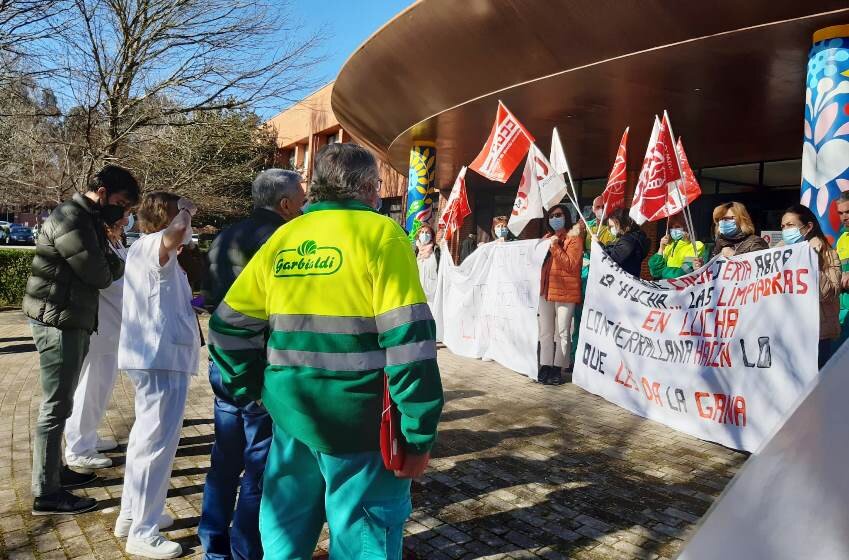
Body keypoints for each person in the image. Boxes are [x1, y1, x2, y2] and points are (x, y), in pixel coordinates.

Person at [208, 143, 444, 559]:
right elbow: (410, 343)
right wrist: (419, 433)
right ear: (370, 188)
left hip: (291, 421)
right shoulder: (382, 234)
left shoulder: (286, 235)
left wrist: (255, 388)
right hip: (362, 428)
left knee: (283, 542)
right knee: (363, 543)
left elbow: (227, 327)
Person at [199, 169, 305, 560]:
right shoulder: (284, 241)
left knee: (224, 459)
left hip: (223, 361)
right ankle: (246, 551)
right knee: (259, 465)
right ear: (285, 204)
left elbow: (210, 299)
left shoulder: (225, 235)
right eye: (302, 198)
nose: (305, 205)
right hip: (260, 367)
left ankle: (213, 544)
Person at [23, 165, 139, 515]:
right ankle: (46, 493)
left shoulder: (85, 218)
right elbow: (101, 274)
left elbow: (101, 264)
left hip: (68, 316)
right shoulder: (72, 219)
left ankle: (55, 474)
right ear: (102, 192)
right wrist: (116, 257)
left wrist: (110, 253)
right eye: (121, 203)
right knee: (55, 406)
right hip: (58, 320)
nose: (124, 213)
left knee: (61, 404)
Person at [116, 192, 201, 559]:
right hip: (160, 357)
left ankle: (131, 514)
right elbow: (177, 232)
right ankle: (143, 531)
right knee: (156, 447)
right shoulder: (155, 244)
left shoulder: (142, 248)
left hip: (153, 355)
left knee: (143, 441)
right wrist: (186, 208)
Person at [63, 215, 130, 470]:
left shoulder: (114, 244)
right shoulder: (99, 247)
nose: (125, 223)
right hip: (100, 328)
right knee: (90, 386)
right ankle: (79, 447)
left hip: (113, 329)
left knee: (101, 387)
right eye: (121, 218)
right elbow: (115, 283)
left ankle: (88, 435)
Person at [779, 205, 841, 367]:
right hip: (785, 334)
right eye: (783, 226)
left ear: (808, 227)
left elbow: (828, 293)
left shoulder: (827, 254)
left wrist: (810, 259)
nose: (786, 230)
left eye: (790, 225)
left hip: (817, 336)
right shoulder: (777, 253)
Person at [538, 204, 583, 385]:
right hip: (545, 291)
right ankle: (545, 365)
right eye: (551, 216)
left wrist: (555, 247)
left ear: (566, 216)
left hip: (565, 291)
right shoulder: (546, 238)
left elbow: (571, 265)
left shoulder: (574, 239)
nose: (555, 219)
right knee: (545, 332)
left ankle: (558, 368)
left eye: (558, 215)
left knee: (562, 332)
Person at [648, 214, 706, 279]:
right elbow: (655, 271)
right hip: (665, 286)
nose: (674, 230)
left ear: (686, 228)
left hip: (683, 287)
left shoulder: (696, 245)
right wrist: (661, 248)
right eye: (671, 227)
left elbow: (684, 272)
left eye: (677, 227)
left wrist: (663, 271)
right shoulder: (668, 246)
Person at [603, 208, 650, 277]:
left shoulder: (629, 241)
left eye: (612, 226)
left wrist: (598, 245)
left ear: (622, 223)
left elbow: (611, 260)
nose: (610, 229)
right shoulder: (635, 238)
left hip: (622, 281)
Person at [835, 193, 849, 352]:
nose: (844, 217)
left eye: (848, 211)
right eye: (840, 213)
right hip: (843, 314)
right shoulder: (842, 239)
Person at [415, 223, 440, 304]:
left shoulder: (436, 251)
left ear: (432, 236)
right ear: (418, 235)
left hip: (432, 293)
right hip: (417, 292)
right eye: (422, 232)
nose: (424, 234)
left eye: (427, 232)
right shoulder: (415, 250)